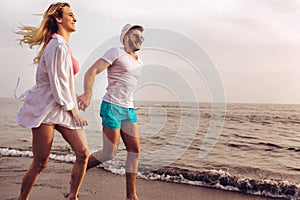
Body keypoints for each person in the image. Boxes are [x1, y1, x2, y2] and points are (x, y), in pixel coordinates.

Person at [15, 3, 89, 200]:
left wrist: (74, 101)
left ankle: (72, 196)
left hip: (63, 106)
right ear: (58, 19)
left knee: (83, 153)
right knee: (41, 162)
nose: (75, 18)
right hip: (46, 108)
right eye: (70, 15)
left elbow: (65, 81)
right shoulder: (57, 45)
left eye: (75, 15)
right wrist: (73, 110)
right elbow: (58, 83)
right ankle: (23, 199)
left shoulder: (62, 44)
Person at [77, 23, 144, 200]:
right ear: (126, 38)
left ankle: (131, 196)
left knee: (134, 151)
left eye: (141, 37)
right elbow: (91, 71)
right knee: (109, 153)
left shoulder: (138, 60)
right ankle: (77, 173)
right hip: (111, 106)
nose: (140, 39)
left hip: (128, 109)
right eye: (136, 36)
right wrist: (87, 93)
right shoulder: (115, 52)